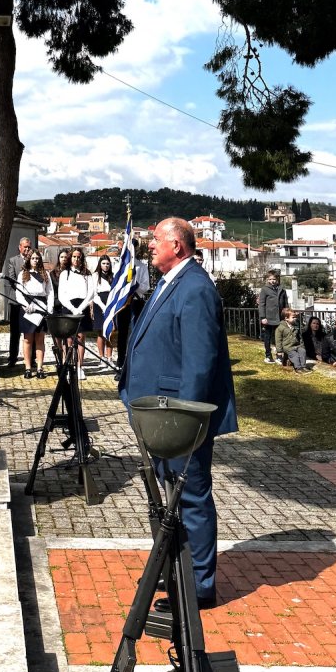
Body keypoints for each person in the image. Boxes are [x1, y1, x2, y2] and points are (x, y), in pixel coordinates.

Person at [119, 217, 237, 609]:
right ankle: (173, 571)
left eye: (157, 240)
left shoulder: (196, 289)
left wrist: (188, 421)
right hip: (160, 416)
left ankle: (199, 587)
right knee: (169, 498)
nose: (150, 246)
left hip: (180, 419)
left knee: (190, 498)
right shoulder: (169, 282)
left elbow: (200, 365)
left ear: (179, 247)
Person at [16, 250, 54, 378]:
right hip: (28, 308)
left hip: (41, 307)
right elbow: (18, 292)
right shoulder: (23, 274)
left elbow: (50, 293)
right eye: (33, 258)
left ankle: (39, 368)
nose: (35, 261)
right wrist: (25, 305)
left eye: (37, 258)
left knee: (40, 339)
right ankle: (27, 368)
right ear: (28, 260)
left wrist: (49, 308)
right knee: (28, 339)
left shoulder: (45, 274)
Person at [58, 248, 95, 379]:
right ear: (70, 258)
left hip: (82, 306)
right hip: (69, 307)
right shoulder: (64, 274)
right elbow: (61, 294)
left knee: (80, 338)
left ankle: (80, 367)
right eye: (74, 256)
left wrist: (81, 307)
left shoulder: (87, 274)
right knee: (69, 339)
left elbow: (91, 293)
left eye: (79, 257)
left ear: (82, 259)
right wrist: (72, 309)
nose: (76, 259)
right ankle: (69, 366)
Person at [5, 236, 33, 371]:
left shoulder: (34, 260)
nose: (27, 249)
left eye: (29, 247)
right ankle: (12, 358)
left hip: (31, 301)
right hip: (16, 300)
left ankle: (31, 358)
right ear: (20, 247)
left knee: (30, 331)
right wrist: (22, 289)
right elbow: (11, 278)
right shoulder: (13, 261)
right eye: (25, 247)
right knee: (14, 331)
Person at [91, 255, 116, 369]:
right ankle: (102, 357)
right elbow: (94, 294)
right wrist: (102, 306)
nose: (105, 266)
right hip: (99, 303)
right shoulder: (95, 276)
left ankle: (110, 357)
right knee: (101, 332)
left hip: (110, 303)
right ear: (100, 264)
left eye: (107, 264)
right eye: (103, 263)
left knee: (110, 332)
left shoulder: (113, 276)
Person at [257, 271, 287, 365]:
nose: (272, 281)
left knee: (279, 337)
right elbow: (261, 304)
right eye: (270, 279)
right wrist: (263, 317)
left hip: (279, 318)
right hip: (268, 318)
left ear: (277, 279)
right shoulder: (265, 289)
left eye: (274, 279)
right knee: (268, 337)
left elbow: (285, 304)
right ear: (267, 280)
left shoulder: (282, 290)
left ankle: (279, 356)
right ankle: (268, 356)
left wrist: (286, 315)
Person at [275, 307, 308, 372]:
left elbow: (300, 337)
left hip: (297, 345)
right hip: (288, 347)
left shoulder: (296, 326)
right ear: (286, 318)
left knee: (302, 352)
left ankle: (303, 366)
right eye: (293, 317)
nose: (295, 319)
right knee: (294, 355)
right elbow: (278, 340)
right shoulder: (281, 328)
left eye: (295, 317)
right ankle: (298, 368)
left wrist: (302, 346)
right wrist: (279, 351)